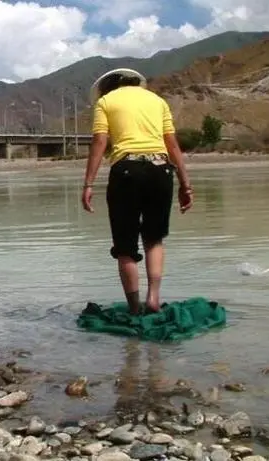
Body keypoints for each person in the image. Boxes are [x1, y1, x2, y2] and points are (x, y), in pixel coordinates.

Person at [81, 68, 193, 315]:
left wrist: (88, 184)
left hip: (127, 171)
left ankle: (134, 309)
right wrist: (186, 185)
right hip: (161, 169)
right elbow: (171, 144)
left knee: (125, 246)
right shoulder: (157, 100)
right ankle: (153, 298)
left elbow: (100, 141)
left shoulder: (106, 102)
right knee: (154, 239)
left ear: (107, 87)